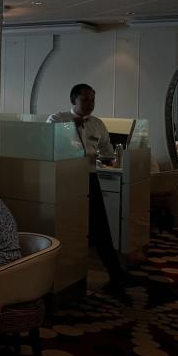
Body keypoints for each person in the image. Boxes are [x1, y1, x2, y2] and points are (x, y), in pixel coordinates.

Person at [47, 83, 136, 294]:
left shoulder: (98, 124)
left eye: (93, 100)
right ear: (73, 101)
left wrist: (105, 159)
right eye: (85, 100)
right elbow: (50, 146)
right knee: (67, 228)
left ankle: (115, 274)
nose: (90, 104)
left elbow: (108, 152)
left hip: (90, 179)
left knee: (101, 226)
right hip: (65, 180)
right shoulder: (57, 120)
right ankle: (63, 276)